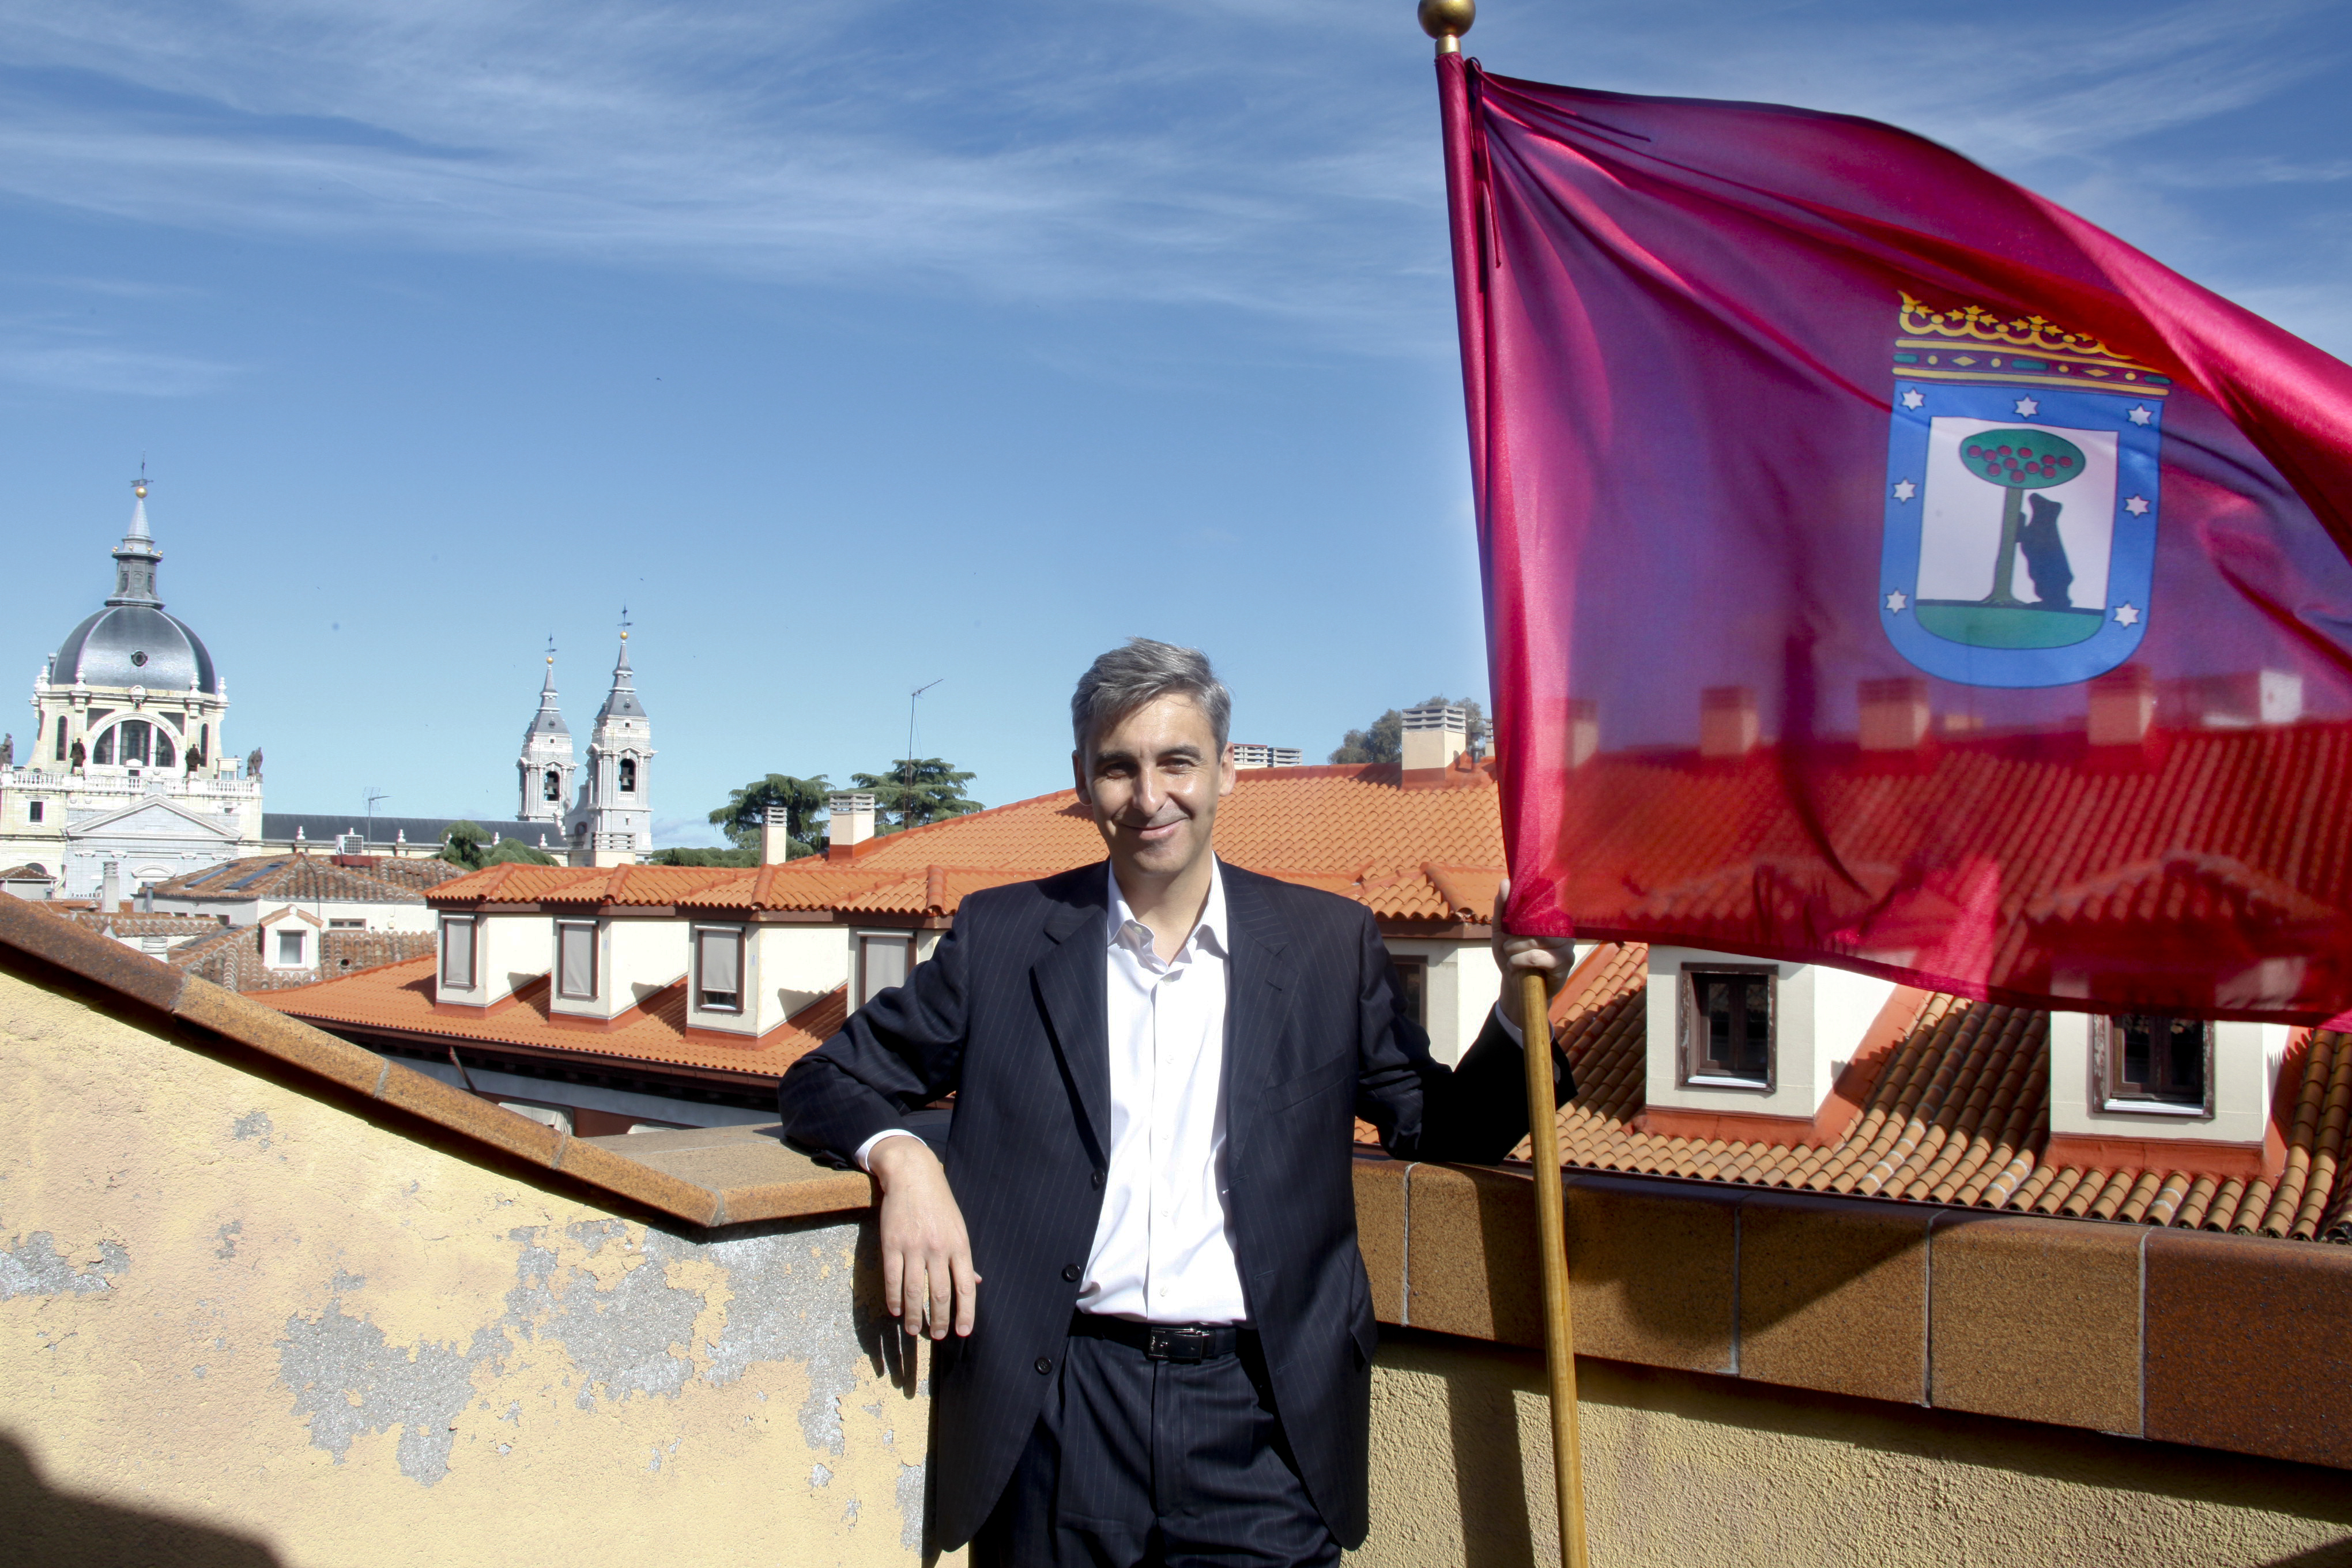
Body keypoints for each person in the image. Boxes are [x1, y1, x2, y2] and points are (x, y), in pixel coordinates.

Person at [778, 639, 1575, 1566]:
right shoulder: (1004, 938)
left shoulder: (1328, 945)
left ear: (1228, 770)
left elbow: (1445, 1125)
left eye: (1177, 762)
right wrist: (904, 1158)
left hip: (1264, 1421)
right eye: (1119, 767)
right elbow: (823, 1081)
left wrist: (1523, 1004)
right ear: (1083, 779)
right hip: (1057, 1411)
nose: (1150, 796)